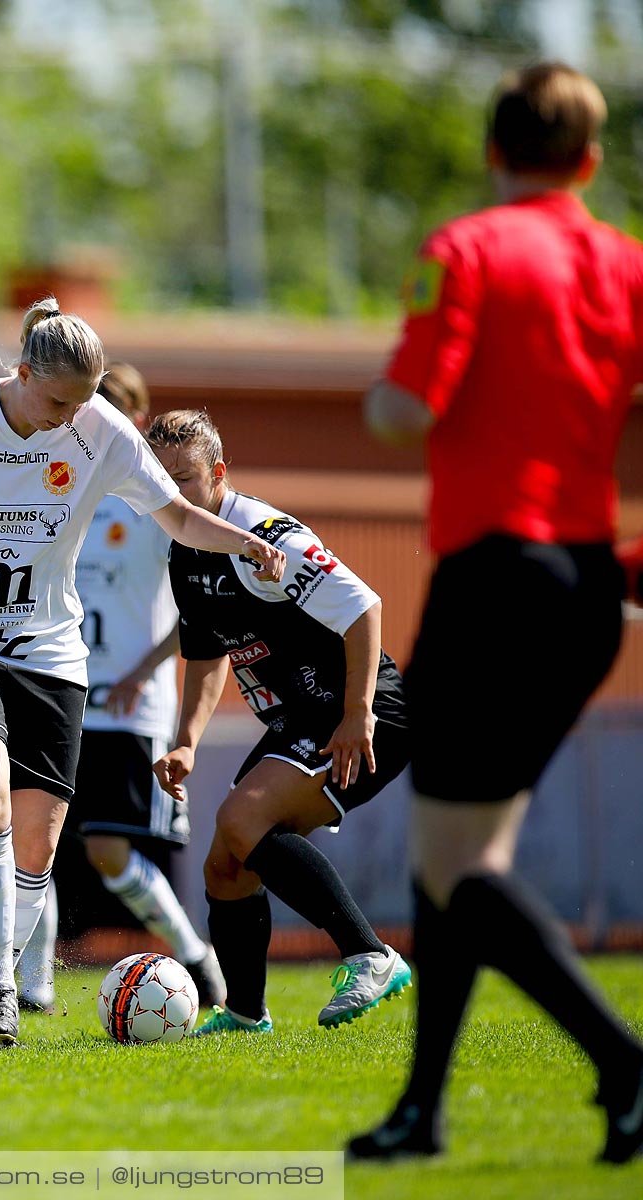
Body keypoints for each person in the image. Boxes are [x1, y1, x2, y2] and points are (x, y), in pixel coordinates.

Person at [0, 298, 287, 1050]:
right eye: (58, 400)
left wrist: (243, 542)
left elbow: (177, 516)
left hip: (48, 649)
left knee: (38, 846)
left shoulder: (100, 431)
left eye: (85, 400)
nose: (71, 417)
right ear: (19, 372)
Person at [349, 63, 643, 1164]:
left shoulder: (463, 250)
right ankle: (423, 1111)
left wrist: (383, 396)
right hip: (585, 589)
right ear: (591, 161)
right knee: (460, 857)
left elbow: (406, 407)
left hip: (492, 582)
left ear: (493, 150)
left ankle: (623, 1063)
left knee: (455, 866)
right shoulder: (627, 262)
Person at [144, 410, 411, 1039]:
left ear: (219, 474)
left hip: (360, 711)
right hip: (302, 719)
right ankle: (244, 1014)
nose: (173, 493)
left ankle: (371, 955)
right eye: (161, 480)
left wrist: (356, 714)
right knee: (224, 866)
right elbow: (207, 655)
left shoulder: (265, 533)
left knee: (242, 820)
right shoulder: (185, 547)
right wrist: (185, 741)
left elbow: (363, 607)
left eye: (185, 478)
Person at [15, 365, 225, 1015]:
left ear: (134, 420)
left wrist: (143, 669)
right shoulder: (57, 487)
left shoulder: (155, 502)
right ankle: (32, 986)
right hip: (59, 688)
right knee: (31, 839)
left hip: (128, 704)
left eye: (106, 407)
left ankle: (194, 954)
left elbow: (199, 615)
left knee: (108, 851)